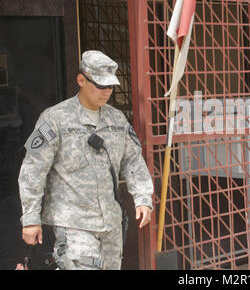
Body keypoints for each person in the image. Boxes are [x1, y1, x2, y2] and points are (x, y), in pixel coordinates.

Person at [18, 50, 154, 270]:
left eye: (110, 86)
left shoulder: (116, 119)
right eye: (100, 85)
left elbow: (132, 160)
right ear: (81, 80)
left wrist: (143, 197)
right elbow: (33, 170)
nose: (106, 92)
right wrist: (31, 218)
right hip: (74, 225)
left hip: (111, 224)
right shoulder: (54, 119)